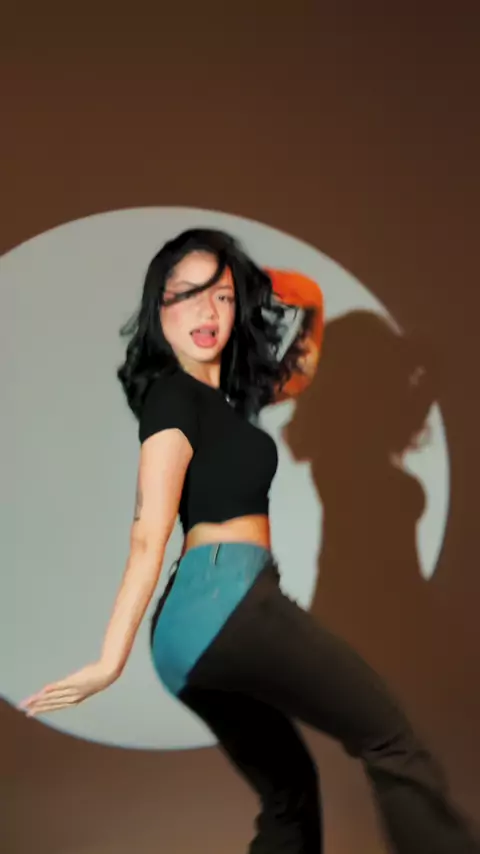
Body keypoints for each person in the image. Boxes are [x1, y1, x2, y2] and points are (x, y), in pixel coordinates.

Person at [20, 228, 479, 853]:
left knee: (290, 793)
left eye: (221, 297)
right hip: (226, 599)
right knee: (390, 738)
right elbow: (148, 532)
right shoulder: (171, 397)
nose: (206, 311)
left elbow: (307, 320)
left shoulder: (229, 403)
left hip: (194, 630)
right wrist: (109, 662)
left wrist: (249, 282)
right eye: (186, 295)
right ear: (159, 309)